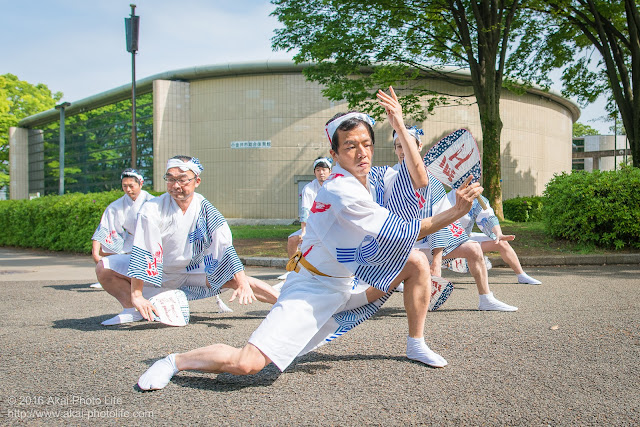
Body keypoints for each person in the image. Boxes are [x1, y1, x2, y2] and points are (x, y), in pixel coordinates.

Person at [137, 87, 484, 391]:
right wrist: (454, 212)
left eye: (366, 144)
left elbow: (419, 180)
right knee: (247, 364)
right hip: (312, 290)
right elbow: (397, 230)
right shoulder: (339, 189)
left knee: (416, 262)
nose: (361, 152)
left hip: (347, 282)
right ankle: (174, 361)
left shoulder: (374, 177)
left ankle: (416, 342)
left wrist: (399, 126)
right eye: (350, 146)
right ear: (334, 155)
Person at [96, 156, 278, 326]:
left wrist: (242, 282)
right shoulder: (152, 209)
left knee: (238, 280)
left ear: (196, 181)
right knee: (104, 267)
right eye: (170, 179)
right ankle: (133, 308)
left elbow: (224, 245)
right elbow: (145, 251)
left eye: (182, 179)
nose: (176, 185)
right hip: (159, 271)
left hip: (193, 270)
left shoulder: (204, 207)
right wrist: (136, 295)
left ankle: (284, 304)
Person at [388, 126, 518, 311]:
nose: (403, 151)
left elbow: (440, 220)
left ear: (419, 147)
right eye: (399, 146)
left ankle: (486, 299)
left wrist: (437, 261)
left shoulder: (432, 181)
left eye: (408, 144)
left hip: (426, 244)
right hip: (398, 246)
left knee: (473, 248)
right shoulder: (388, 177)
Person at [445, 192, 542, 285]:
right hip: (443, 241)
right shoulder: (444, 199)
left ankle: (522, 275)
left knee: (502, 242)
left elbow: (489, 217)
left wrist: (498, 233)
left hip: (465, 238)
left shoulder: (478, 200)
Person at [90, 169, 155, 289]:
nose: (128, 189)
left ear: (140, 183)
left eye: (131, 185)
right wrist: (95, 252)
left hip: (150, 241)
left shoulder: (153, 202)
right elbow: (104, 228)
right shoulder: (115, 206)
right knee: (107, 255)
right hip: (129, 241)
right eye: (125, 186)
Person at [286, 156, 332, 258]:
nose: (321, 173)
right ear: (314, 172)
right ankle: (295, 270)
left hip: (332, 227)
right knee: (292, 240)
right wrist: (304, 232)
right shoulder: (308, 189)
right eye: (318, 170)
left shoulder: (335, 186)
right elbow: (305, 212)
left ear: (330, 171)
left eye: (324, 170)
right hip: (314, 227)